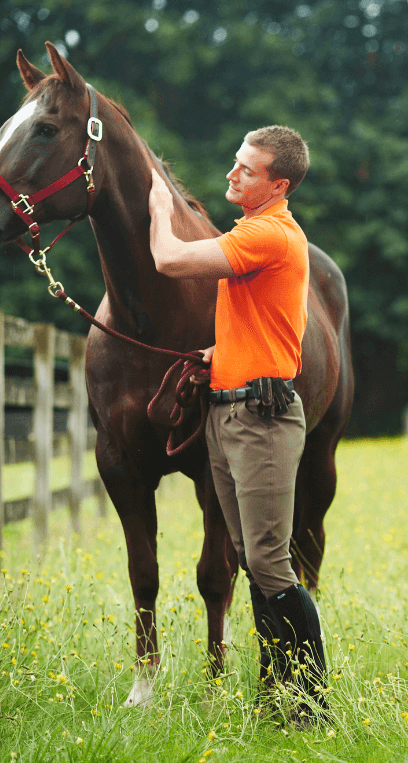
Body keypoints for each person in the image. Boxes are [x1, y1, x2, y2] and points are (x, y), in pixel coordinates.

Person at [148, 126, 328, 725]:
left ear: (278, 185)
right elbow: (270, 323)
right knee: (251, 557)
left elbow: (169, 260)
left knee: (270, 562)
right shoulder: (256, 231)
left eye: (247, 170)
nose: (232, 174)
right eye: (235, 162)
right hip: (230, 410)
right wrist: (218, 354)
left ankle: (309, 705)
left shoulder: (268, 233)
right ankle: (277, 694)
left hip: (261, 419)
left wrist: (159, 205)